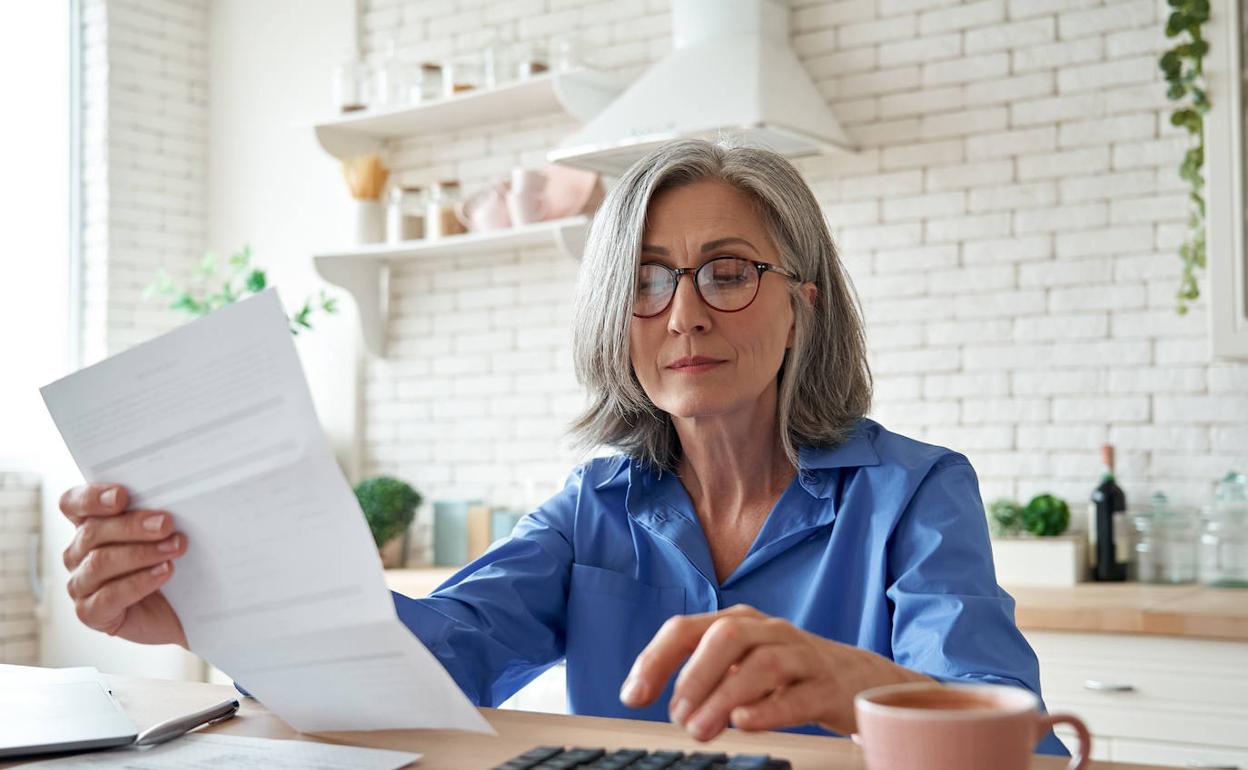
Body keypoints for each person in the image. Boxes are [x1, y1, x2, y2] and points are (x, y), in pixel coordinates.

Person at [59, 139, 1067, 755]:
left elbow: (1026, 742)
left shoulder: (915, 493)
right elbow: (432, 657)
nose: (682, 314)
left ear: (802, 306)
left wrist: (853, 682)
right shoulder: (596, 506)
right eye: (646, 278)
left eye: (726, 272)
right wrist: (214, 603)